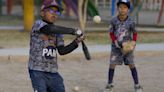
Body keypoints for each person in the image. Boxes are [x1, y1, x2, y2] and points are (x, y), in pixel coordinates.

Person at [28, 0, 84, 92]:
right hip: (37, 71)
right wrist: (73, 31)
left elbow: (62, 51)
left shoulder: (58, 33)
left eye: (57, 12)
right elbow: (49, 29)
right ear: (42, 13)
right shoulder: (38, 24)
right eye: (51, 10)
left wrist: (76, 42)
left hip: (53, 72)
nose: (54, 14)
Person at [104, 0, 143, 92]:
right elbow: (111, 32)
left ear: (128, 9)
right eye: (120, 7)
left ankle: (137, 85)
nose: (122, 9)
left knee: (131, 64)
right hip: (116, 47)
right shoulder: (113, 20)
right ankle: (110, 84)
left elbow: (135, 33)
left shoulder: (131, 21)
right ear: (118, 8)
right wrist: (114, 41)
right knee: (112, 64)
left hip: (127, 47)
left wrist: (133, 42)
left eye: (125, 7)